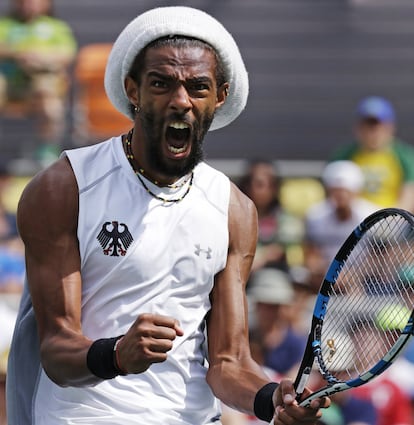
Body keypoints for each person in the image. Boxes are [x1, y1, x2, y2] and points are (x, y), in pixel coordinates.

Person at [6, 6, 329, 425]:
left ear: (220, 96)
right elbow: (56, 350)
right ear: (132, 90)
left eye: (197, 87)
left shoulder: (234, 210)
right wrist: (117, 354)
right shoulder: (65, 187)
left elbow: (228, 362)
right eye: (161, 84)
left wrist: (273, 400)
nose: (180, 101)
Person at [0, 0, 77, 164]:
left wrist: (41, 58)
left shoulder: (56, 27)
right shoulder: (5, 25)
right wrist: (19, 54)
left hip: (41, 82)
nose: (28, 5)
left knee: (50, 102)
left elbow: (67, 54)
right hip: (10, 83)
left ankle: (46, 151)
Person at [331, 96, 414, 212]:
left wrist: (393, 219)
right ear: (358, 128)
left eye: (377, 127)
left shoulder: (404, 156)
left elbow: (409, 195)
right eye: (368, 126)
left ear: (389, 128)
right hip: (356, 220)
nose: (373, 133)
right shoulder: (345, 155)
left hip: (392, 220)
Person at [303, 160, 377, 290]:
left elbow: (380, 257)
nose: (340, 196)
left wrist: (352, 277)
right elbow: (311, 254)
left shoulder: (373, 216)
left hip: (364, 282)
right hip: (323, 279)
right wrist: (327, 274)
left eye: (345, 191)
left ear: (356, 192)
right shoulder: (315, 216)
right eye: (336, 191)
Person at [238, 159, 304, 274]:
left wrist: (260, 259)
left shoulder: (287, 219)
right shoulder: (235, 218)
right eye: (257, 184)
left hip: (278, 278)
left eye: (270, 184)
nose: (265, 189)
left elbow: (286, 253)